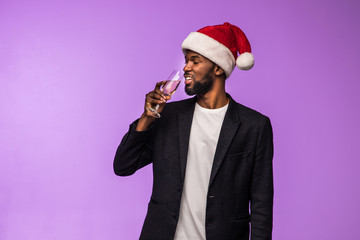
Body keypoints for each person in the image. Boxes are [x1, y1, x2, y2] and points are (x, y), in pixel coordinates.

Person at [114, 22, 274, 240]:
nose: (186, 67)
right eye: (186, 60)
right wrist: (147, 118)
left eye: (195, 61)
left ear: (218, 68)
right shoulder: (168, 116)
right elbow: (123, 166)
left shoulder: (253, 125)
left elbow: (261, 201)